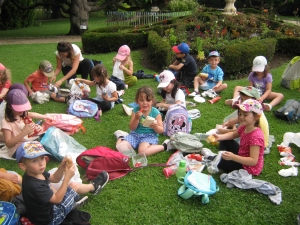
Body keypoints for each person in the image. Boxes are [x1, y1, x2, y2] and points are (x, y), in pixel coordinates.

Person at [16, 141, 109, 225]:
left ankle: (72, 199)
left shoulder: (34, 173)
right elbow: (57, 200)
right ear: (23, 166)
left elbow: (55, 178)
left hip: (40, 215)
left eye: (42, 158)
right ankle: (94, 187)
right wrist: (67, 179)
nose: (41, 163)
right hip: (51, 219)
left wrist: (61, 166)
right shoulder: (34, 185)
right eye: (34, 160)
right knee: (73, 186)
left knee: (53, 186)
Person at [114, 86, 171, 156]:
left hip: (149, 136)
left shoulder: (156, 113)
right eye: (141, 100)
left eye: (148, 100)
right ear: (137, 101)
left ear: (152, 101)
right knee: (120, 147)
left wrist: (156, 127)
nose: (145, 103)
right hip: (135, 134)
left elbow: (161, 130)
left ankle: (164, 146)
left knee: (142, 152)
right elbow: (132, 128)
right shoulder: (135, 111)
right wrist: (136, 119)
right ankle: (121, 136)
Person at [213, 99, 265, 175]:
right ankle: (223, 157)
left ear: (256, 117)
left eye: (245, 115)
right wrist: (220, 137)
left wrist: (233, 157)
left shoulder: (256, 136)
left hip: (248, 167)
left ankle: (223, 159)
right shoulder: (244, 126)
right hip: (241, 155)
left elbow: (253, 161)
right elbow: (233, 135)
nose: (241, 117)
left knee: (219, 161)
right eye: (240, 114)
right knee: (225, 140)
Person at [1, 89, 53, 158]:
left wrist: (35, 129)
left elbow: (29, 132)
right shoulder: (6, 122)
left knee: (49, 135)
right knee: (38, 146)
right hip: (16, 149)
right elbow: (8, 143)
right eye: (19, 109)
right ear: (10, 106)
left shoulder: (21, 114)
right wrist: (23, 133)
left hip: (27, 142)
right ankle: (41, 155)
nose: (22, 111)